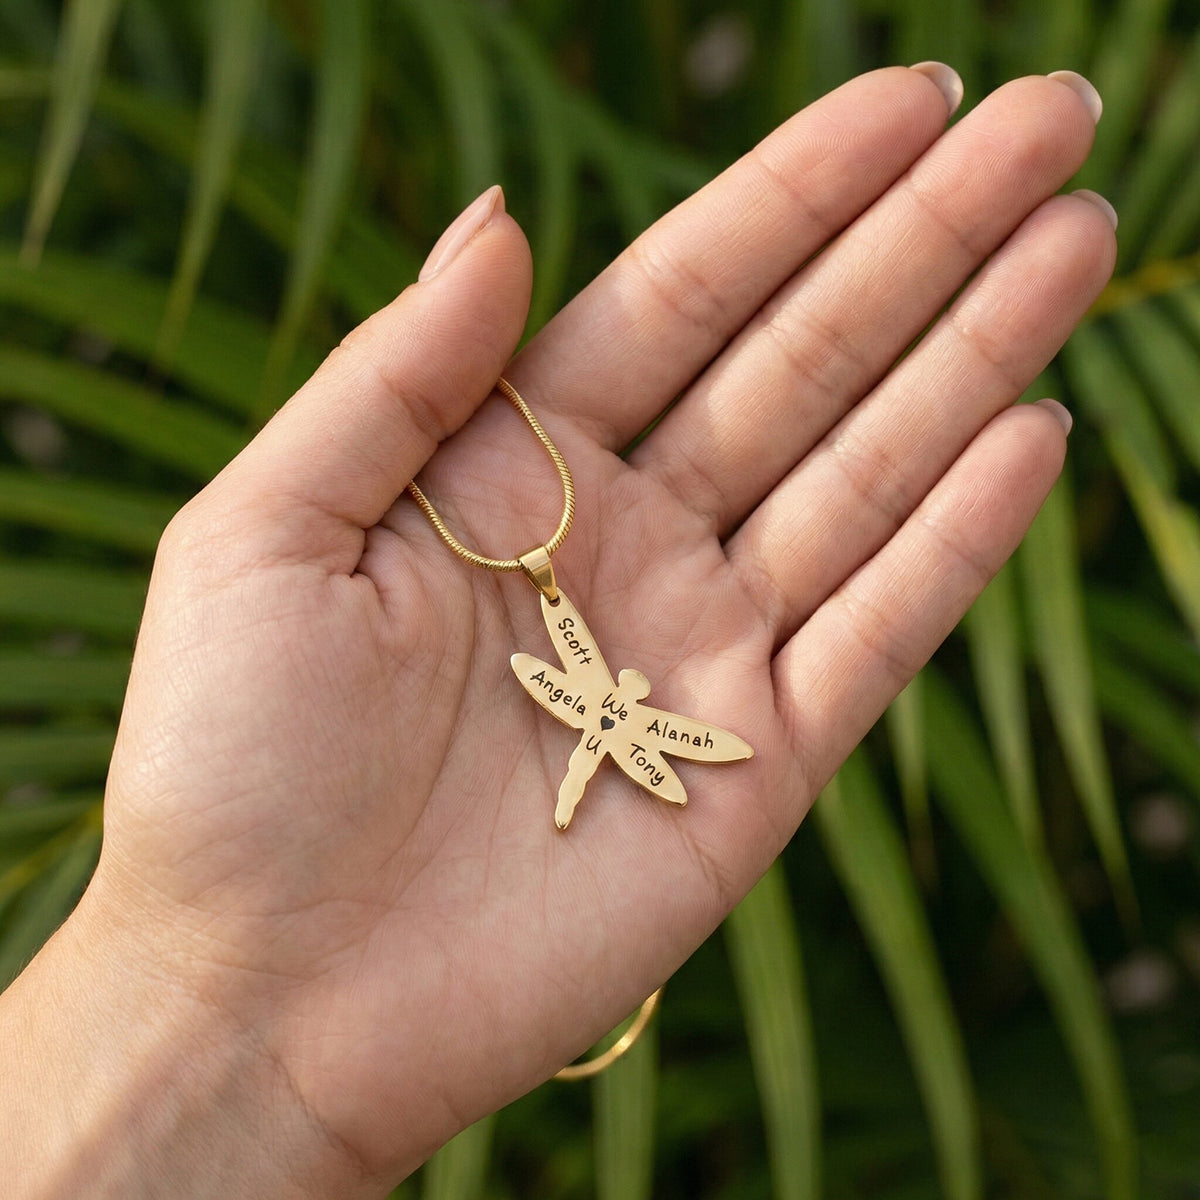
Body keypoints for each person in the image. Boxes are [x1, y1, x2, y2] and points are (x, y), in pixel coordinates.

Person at [0, 63, 1115, 1198]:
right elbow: (596, 704)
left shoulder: (583, 688)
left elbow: (590, 699)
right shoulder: (583, 690)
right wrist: (202, 992)